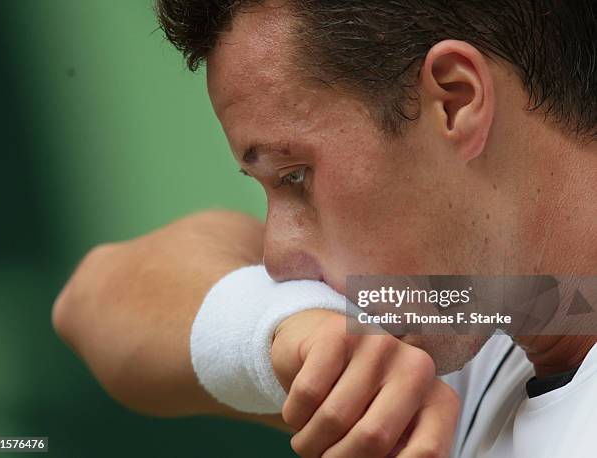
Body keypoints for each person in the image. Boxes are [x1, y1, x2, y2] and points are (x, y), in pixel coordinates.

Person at [53, 1, 597, 456]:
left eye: (294, 176)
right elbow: (93, 297)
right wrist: (284, 328)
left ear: (455, 101)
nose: (278, 256)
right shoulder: (485, 316)